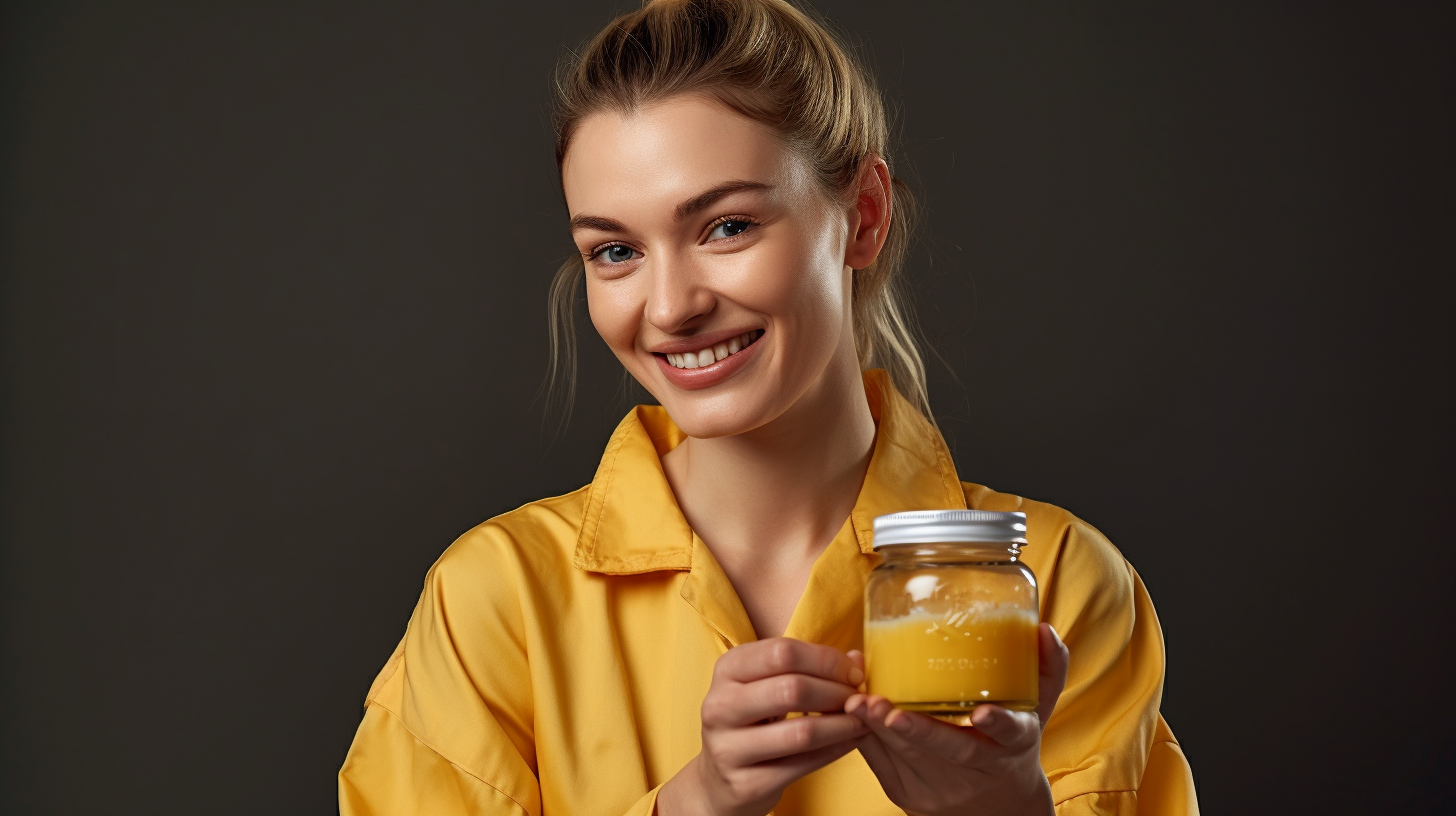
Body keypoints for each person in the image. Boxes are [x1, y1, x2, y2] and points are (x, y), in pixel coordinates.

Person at [337, 0, 1198, 813]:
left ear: (862, 215)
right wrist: (694, 803)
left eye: (726, 227)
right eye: (614, 250)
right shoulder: (494, 597)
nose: (670, 307)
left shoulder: (1057, 585)